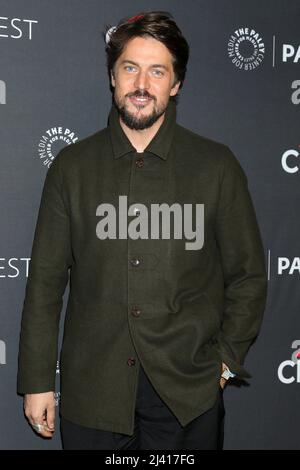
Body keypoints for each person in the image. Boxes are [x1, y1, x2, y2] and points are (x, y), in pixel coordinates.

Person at [17, 11, 268, 450]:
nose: (141, 84)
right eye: (130, 67)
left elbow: (248, 276)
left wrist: (223, 365)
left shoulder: (216, 167)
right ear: (113, 76)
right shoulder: (72, 168)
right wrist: (38, 380)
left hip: (187, 397)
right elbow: (44, 284)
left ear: (175, 84)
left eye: (158, 71)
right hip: (92, 393)